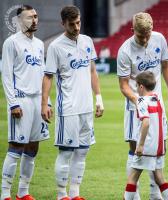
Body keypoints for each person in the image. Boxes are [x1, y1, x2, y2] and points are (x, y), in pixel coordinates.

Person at [41, 5, 104, 200]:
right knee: (66, 152)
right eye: (72, 24)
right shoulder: (55, 47)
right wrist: (45, 103)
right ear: (63, 24)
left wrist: (99, 98)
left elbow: (92, 70)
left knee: (83, 152)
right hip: (67, 107)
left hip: (86, 107)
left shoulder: (87, 41)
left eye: (78, 23)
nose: (76, 27)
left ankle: (75, 194)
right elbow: (48, 76)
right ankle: (62, 195)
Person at [117, 12, 168, 200]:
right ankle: (135, 197)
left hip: (157, 108)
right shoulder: (125, 50)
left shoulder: (159, 39)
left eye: (147, 34)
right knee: (135, 152)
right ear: (132, 29)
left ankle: (155, 196)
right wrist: (138, 101)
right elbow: (124, 85)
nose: (145, 38)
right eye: (141, 35)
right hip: (135, 107)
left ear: (152, 28)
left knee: (159, 151)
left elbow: (166, 66)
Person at [1, 5, 50, 200]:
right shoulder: (11, 43)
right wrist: (13, 103)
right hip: (20, 100)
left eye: (36, 16)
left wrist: (48, 102)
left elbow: (43, 74)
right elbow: (6, 74)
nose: (35, 20)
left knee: (33, 147)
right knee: (16, 146)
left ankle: (23, 192)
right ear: (20, 20)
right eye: (30, 17)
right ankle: (5, 193)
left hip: (38, 100)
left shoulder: (39, 44)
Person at [124, 71, 168, 200]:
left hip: (147, 146)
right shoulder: (157, 99)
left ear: (141, 86)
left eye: (136, 86)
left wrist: (140, 145)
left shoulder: (141, 101)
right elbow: (163, 122)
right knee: (159, 177)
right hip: (158, 146)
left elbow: (145, 123)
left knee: (133, 176)